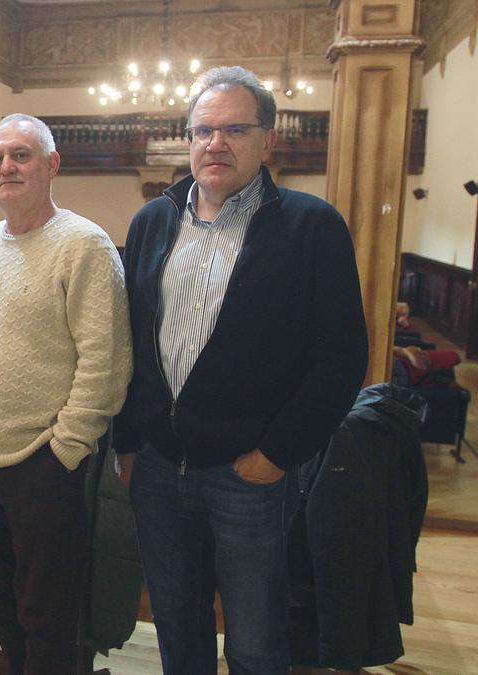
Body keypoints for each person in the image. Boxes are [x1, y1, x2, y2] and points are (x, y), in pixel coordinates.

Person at [114, 66, 368, 674]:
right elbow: (129, 341)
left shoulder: (311, 227)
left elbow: (341, 358)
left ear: (268, 141)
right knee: (177, 626)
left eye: (234, 129)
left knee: (255, 641)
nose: (214, 143)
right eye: (202, 130)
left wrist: (278, 453)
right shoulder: (153, 221)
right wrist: (128, 440)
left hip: (248, 475)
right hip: (156, 468)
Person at [0, 113, 132, 674]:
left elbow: (106, 361)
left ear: (51, 165)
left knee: (47, 611)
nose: (6, 167)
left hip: (41, 461)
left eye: (20, 155)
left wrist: (67, 447)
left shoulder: (84, 245)